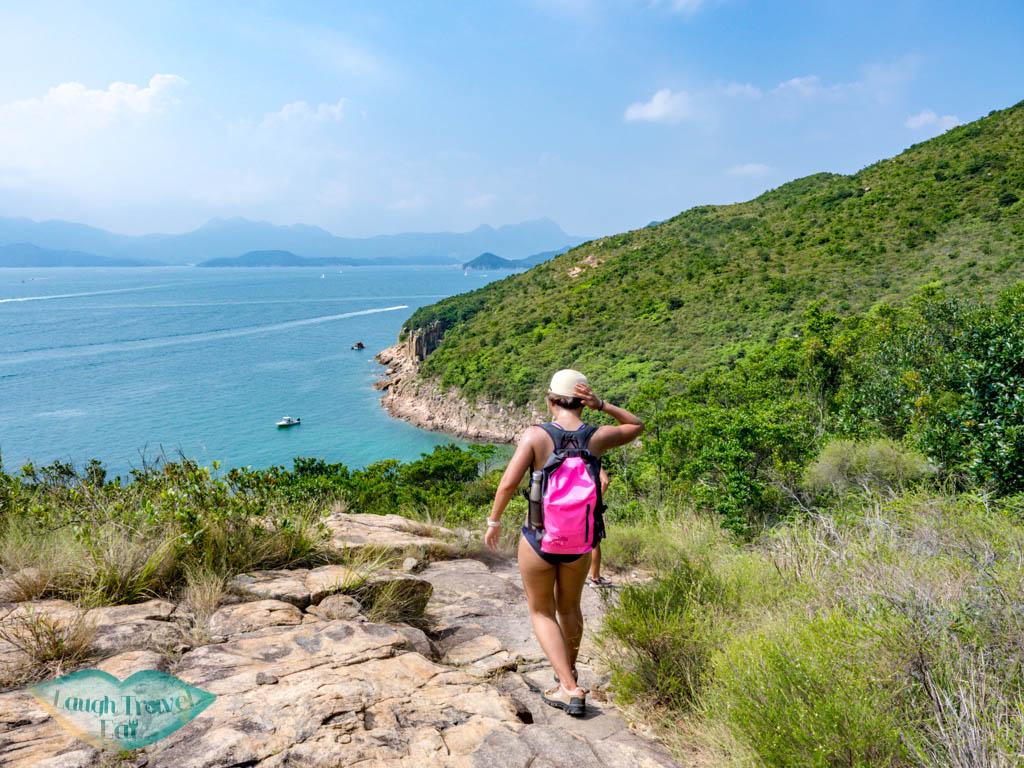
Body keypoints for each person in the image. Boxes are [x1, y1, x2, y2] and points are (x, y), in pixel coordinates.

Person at [484, 369, 643, 715]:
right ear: (582, 402)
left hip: (539, 539)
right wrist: (603, 406)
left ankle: (569, 688)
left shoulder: (536, 436)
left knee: (541, 610)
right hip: (581, 543)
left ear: (550, 400)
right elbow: (636, 425)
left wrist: (494, 521)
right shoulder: (596, 437)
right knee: (569, 609)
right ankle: (568, 675)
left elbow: (508, 484)